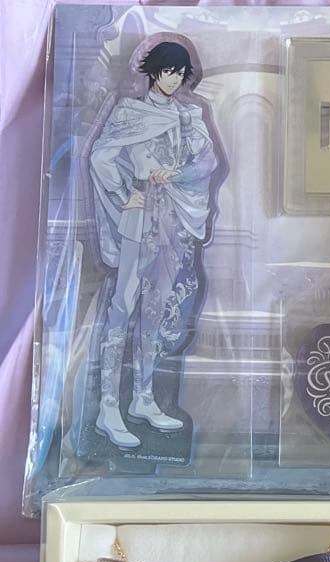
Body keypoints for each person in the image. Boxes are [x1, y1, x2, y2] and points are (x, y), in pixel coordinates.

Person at [89, 40, 217, 449]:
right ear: (153, 71)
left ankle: (142, 397)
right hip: (140, 216)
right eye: (167, 71)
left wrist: (175, 174)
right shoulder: (129, 112)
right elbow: (100, 157)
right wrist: (124, 191)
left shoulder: (188, 115)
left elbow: (208, 161)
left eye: (179, 73)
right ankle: (108, 407)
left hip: (173, 221)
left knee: (156, 309)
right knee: (123, 304)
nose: (173, 79)